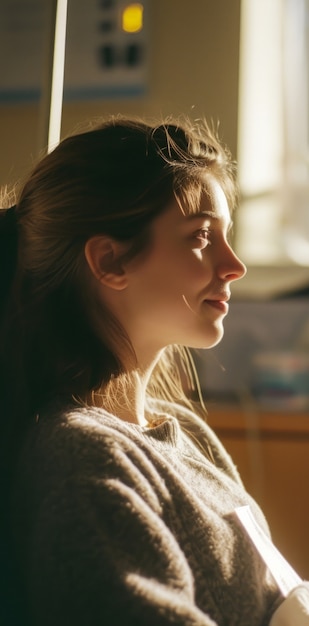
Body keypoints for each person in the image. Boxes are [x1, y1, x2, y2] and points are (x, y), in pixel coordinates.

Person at [0, 115, 282, 625]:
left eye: (227, 236)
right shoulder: (83, 460)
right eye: (201, 236)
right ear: (110, 261)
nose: (234, 264)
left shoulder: (185, 432)